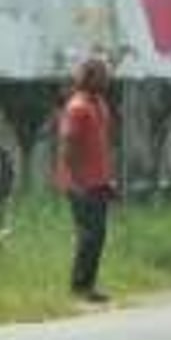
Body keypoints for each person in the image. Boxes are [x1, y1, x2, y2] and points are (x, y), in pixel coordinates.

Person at [56, 57, 117, 303]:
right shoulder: (77, 107)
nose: (107, 79)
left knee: (98, 235)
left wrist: (107, 180)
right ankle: (79, 287)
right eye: (102, 75)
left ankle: (88, 285)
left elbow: (100, 146)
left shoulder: (100, 104)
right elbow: (68, 148)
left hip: (99, 180)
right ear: (89, 77)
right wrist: (79, 181)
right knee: (88, 235)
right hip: (79, 183)